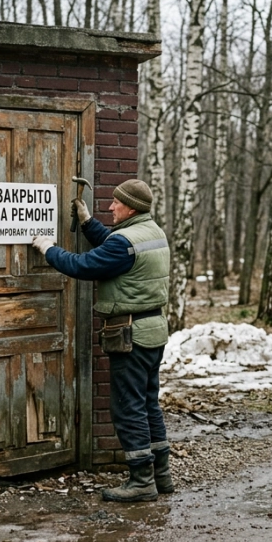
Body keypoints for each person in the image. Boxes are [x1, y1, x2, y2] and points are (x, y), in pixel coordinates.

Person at [30, 178, 172, 503]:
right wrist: (87, 223)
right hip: (153, 330)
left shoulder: (124, 243)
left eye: (116, 202)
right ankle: (161, 476)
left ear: (131, 207)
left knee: (128, 408)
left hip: (130, 334)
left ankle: (141, 482)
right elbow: (114, 246)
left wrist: (48, 248)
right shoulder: (153, 233)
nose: (110, 207)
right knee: (149, 404)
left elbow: (84, 265)